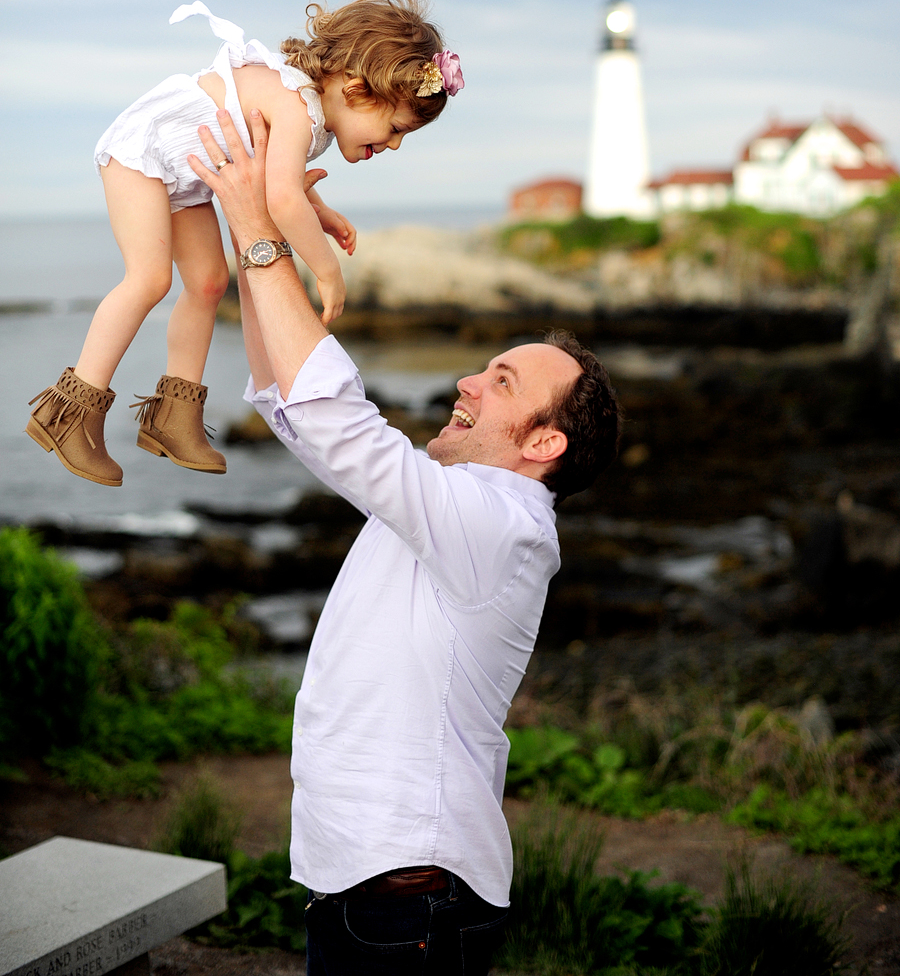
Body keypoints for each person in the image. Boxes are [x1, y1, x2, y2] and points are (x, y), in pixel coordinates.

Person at [190, 108, 621, 975]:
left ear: (544, 444)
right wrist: (256, 237)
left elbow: (343, 427)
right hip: (375, 889)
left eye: (499, 382)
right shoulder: (459, 504)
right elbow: (300, 415)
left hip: (408, 901)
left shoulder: (502, 527)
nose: (465, 380)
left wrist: (260, 231)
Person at [26, 0, 463, 487]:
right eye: (395, 127)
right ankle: (69, 413)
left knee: (210, 283)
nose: (394, 144)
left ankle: (173, 417)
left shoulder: (310, 113)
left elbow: (280, 180)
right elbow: (279, 199)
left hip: (187, 172)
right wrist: (325, 268)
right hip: (143, 153)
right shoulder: (297, 106)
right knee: (148, 280)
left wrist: (314, 209)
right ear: (358, 88)